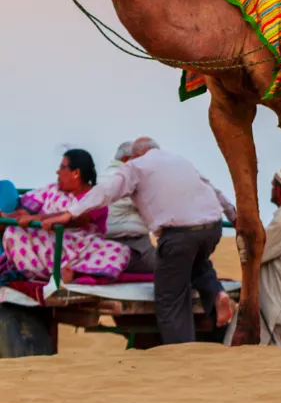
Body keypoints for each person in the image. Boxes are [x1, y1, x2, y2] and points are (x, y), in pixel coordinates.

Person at [42, 136, 235, 344]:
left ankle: (181, 351)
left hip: (178, 235)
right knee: (196, 264)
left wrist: (70, 213)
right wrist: (235, 218)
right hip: (212, 228)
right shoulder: (179, 161)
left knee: (170, 298)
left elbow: (105, 193)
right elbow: (214, 190)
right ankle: (216, 294)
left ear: (134, 155)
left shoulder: (134, 167)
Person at [0, 149, 130, 284]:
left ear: (76, 173)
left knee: (119, 251)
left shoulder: (96, 197)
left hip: (81, 250)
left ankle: (70, 273)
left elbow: (76, 219)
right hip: (45, 248)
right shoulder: (51, 190)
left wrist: (38, 219)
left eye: (62, 167)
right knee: (13, 232)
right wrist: (6, 216)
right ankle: (42, 275)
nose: (58, 172)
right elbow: (22, 214)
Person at [226, 166, 281, 350]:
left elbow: (256, 253)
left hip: (280, 305)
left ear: (280, 190)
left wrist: (246, 234)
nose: (271, 189)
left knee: (277, 363)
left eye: (273, 185)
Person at [100, 141, 156, 274]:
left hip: (104, 242)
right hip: (132, 243)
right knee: (171, 267)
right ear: (126, 159)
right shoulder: (128, 178)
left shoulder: (101, 176)